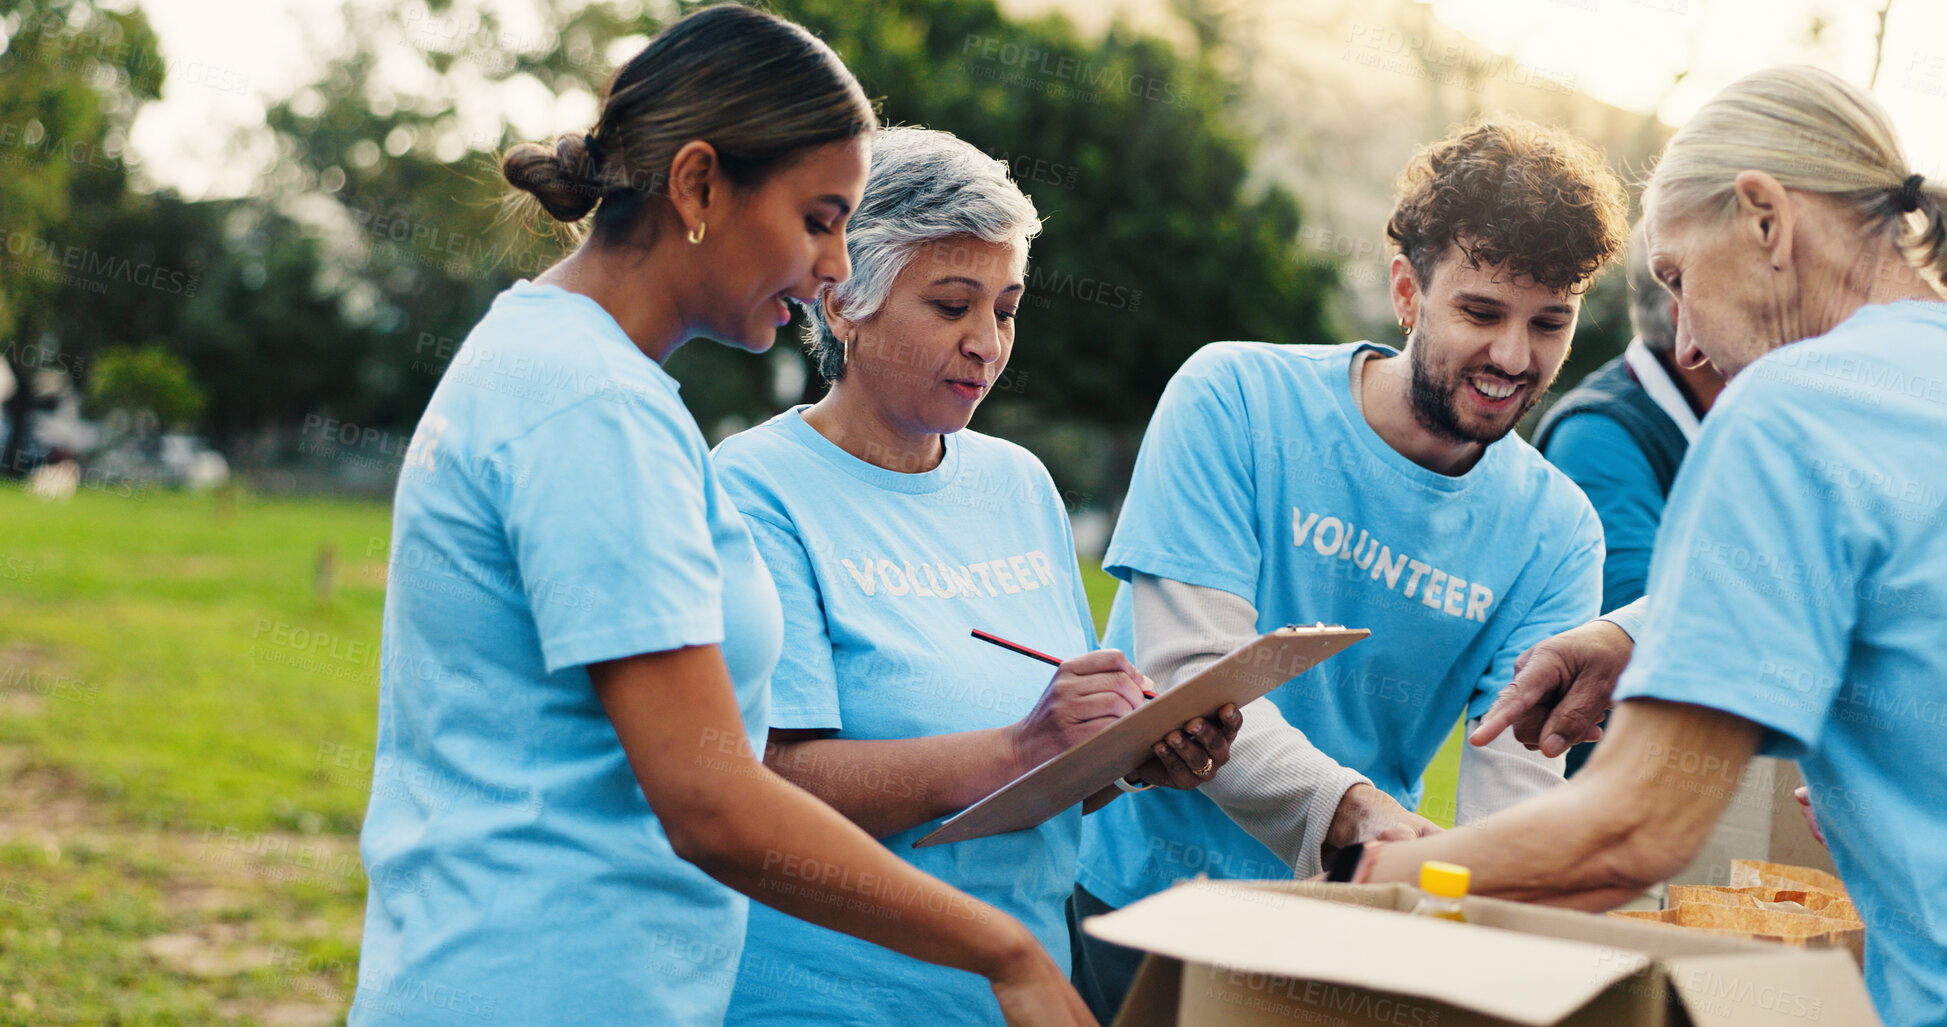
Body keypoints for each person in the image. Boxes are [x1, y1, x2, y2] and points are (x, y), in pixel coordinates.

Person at [352, 9, 1093, 1026]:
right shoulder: (593, 405)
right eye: (820, 218)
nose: (837, 266)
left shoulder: (557, 361)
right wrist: (1004, 951)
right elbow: (712, 802)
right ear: (698, 185)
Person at [1353, 65, 1947, 1027]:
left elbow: (1632, 828)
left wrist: (1376, 880)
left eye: (1676, 277)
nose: (1685, 343)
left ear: (1764, 219)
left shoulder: (1789, 409)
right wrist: (1643, 630)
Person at [1069, 118, 1629, 1020]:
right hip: (1140, 913)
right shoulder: (1234, 397)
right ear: (1407, 292)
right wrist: (1355, 810)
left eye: (1548, 324)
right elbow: (1188, 674)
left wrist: (1488, 933)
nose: (1515, 359)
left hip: (1339, 943)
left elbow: (1514, 792)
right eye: (1480, 313)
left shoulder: (1557, 530)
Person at [713, 126, 1241, 1026]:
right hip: (824, 1000)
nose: (986, 344)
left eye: (1004, 308)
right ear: (843, 300)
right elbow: (766, 785)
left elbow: (1045, 756)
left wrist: (1132, 753)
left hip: (1009, 995)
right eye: (951, 305)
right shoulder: (754, 490)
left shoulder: (1016, 482)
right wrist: (1024, 747)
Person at [1530, 220, 1725, 773]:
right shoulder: (1598, 435)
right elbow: (1640, 615)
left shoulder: (1737, 426)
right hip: (1618, 798)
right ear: (1681, 312)